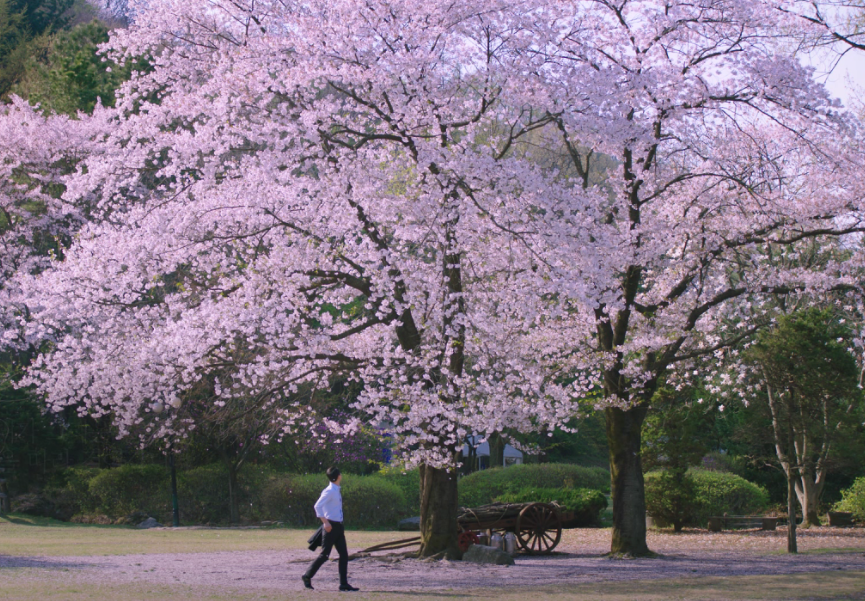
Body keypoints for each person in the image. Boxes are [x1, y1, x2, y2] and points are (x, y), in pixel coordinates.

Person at [302, 466, 359, 592]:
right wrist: (325, 523)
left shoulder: (336, 489)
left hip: (338, 525)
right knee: (324, 555)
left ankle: (343, 583)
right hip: (331, 526)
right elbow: (317, 506)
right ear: (338, 476)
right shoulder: (330, 491)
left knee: (344, 555)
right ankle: (307, 576)